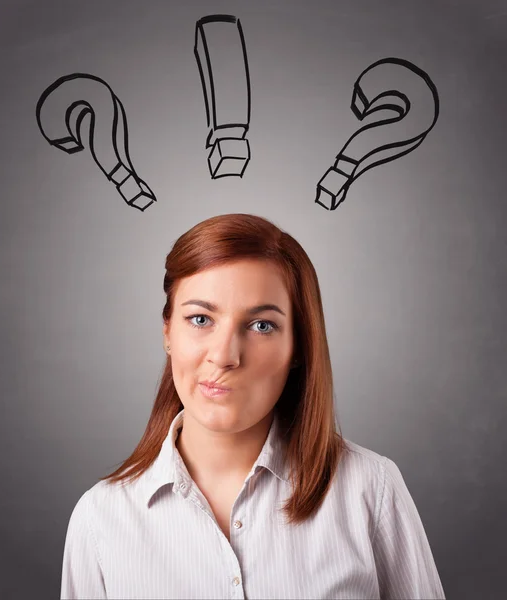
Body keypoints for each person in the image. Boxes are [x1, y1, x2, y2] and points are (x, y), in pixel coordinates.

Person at [60, 213, 446, 599]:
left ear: (298, 347)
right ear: (167, 333)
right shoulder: (100, 519)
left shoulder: (370, 491)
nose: (225, 356)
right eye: (200, 319)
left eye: (261, 325)